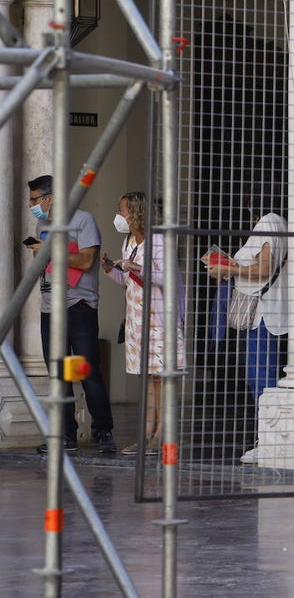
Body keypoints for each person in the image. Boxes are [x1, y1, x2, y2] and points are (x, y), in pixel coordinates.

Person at [26, 175, 116, 454]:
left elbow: (87, 261)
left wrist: (50, 250)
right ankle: (66, 435)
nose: (32, 205)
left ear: (50, 198)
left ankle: (103, 432)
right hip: (49, 307)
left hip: (79, 307)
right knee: (58, 375)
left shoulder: (83, 220)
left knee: (86, 371)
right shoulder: (43, 224)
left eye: (34, 199)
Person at [204, 195, 287, 464]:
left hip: (265, 314)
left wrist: (228, 267)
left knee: (261, 378)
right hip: (260, 315)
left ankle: (269, 440)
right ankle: (267, 437)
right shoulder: (273, 224)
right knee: (258, 378)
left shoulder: (269, 222)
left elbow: (263, 269)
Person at [101, 192, 186, 455]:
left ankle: (160, 435)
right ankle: (147, 434)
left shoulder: (158, 240)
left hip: (159, 317)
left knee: (161, 378)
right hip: (138, 319)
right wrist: (111, 270)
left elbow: (165, 276)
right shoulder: (129, 242)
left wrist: (134, 267)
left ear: (135, 212)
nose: (119, 215)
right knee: (149, 379)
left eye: (122, 210)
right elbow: (128, 281)